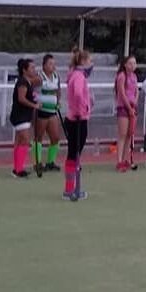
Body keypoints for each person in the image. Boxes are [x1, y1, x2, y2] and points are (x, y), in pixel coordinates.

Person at [64, 49, 93, 199]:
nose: (91, 64)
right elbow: (77, 94)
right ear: (82, 62)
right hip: (77, 119)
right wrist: (82, 109)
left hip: (76, 118)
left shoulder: (76, 75)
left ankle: (72, 188)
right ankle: (70, 190)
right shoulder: (79, 76)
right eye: (89, 61)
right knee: (74, 155)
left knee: (74, 155)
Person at [32, 54, 64, 177]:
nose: (53, 66)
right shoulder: (39, 77)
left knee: (55, 137)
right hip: (41, 111)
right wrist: (34, 100)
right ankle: (37, 162)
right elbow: (30, 88)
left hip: (52, 111)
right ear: (44, 65)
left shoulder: (56, 76)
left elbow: (58, 90)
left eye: (54, 64)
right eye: (50, 64)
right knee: (38, 137)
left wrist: (58, 101)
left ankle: (50, 162)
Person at [10, 58, 40, 179]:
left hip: (23, 115)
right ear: (24, 70)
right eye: (31, 68)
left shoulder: (27, 82)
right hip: (20, 116)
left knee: (19, 141)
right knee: (25, 141)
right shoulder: (22, 82)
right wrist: (34, 105)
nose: (34, 70)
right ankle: (19, 169)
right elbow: (21, 98)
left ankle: (17, 168)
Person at [114, 55, 138, 172]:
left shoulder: (134, 76)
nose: (133, 66)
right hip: (123, 108)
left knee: (129, 134)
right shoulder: (122, 76)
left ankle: (125, 159)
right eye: (130, 63)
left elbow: (136, 91)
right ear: (125, 64)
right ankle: (119, 161)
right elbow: (122, 93)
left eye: (134, 63)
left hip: (132, 107)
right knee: (122, 134)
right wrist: (129, 107)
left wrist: (134, 104)